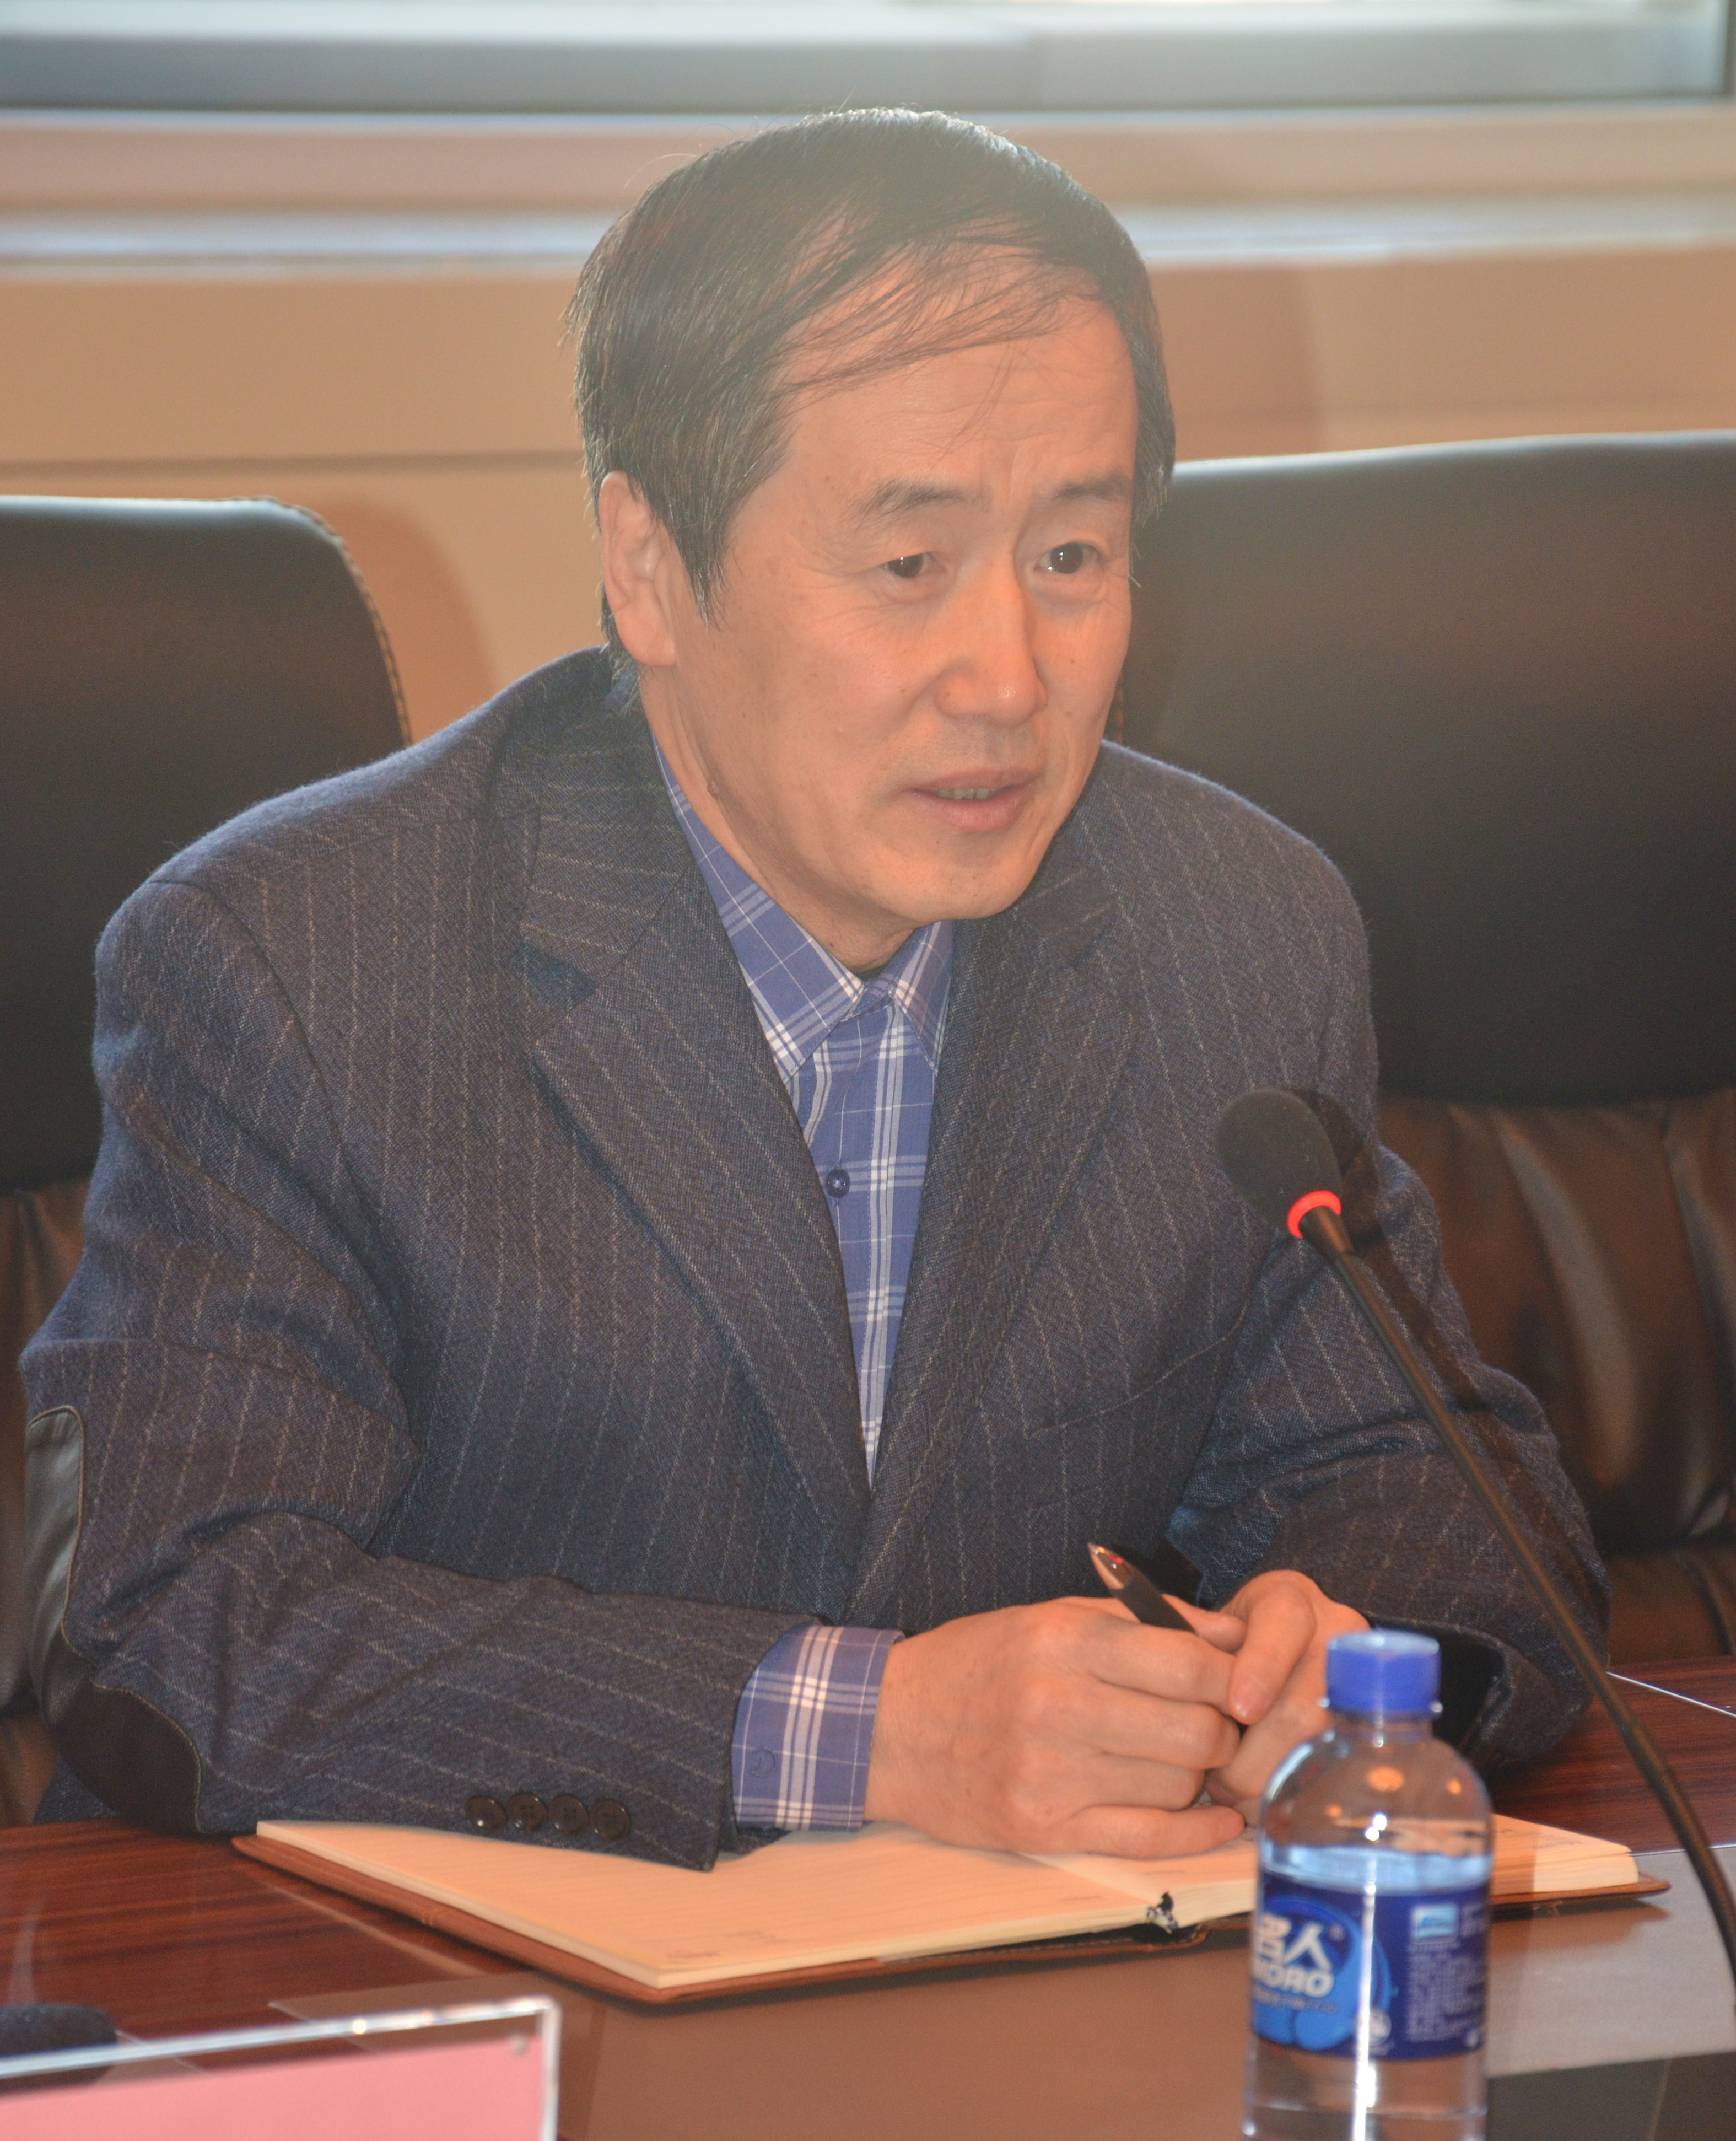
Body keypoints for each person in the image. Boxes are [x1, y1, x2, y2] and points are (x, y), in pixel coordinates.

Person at [22, 110, 1604, 1870]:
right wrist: (862, 1730)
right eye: (911, 566)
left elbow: (1457, 1505)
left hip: (1031, 1988)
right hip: (426, 1990)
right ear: (649, 568)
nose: (1008, 676)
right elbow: (146, 1625)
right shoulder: (299, 961)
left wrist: (1344, 1648)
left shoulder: (1235, 931)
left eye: (1072, 558)